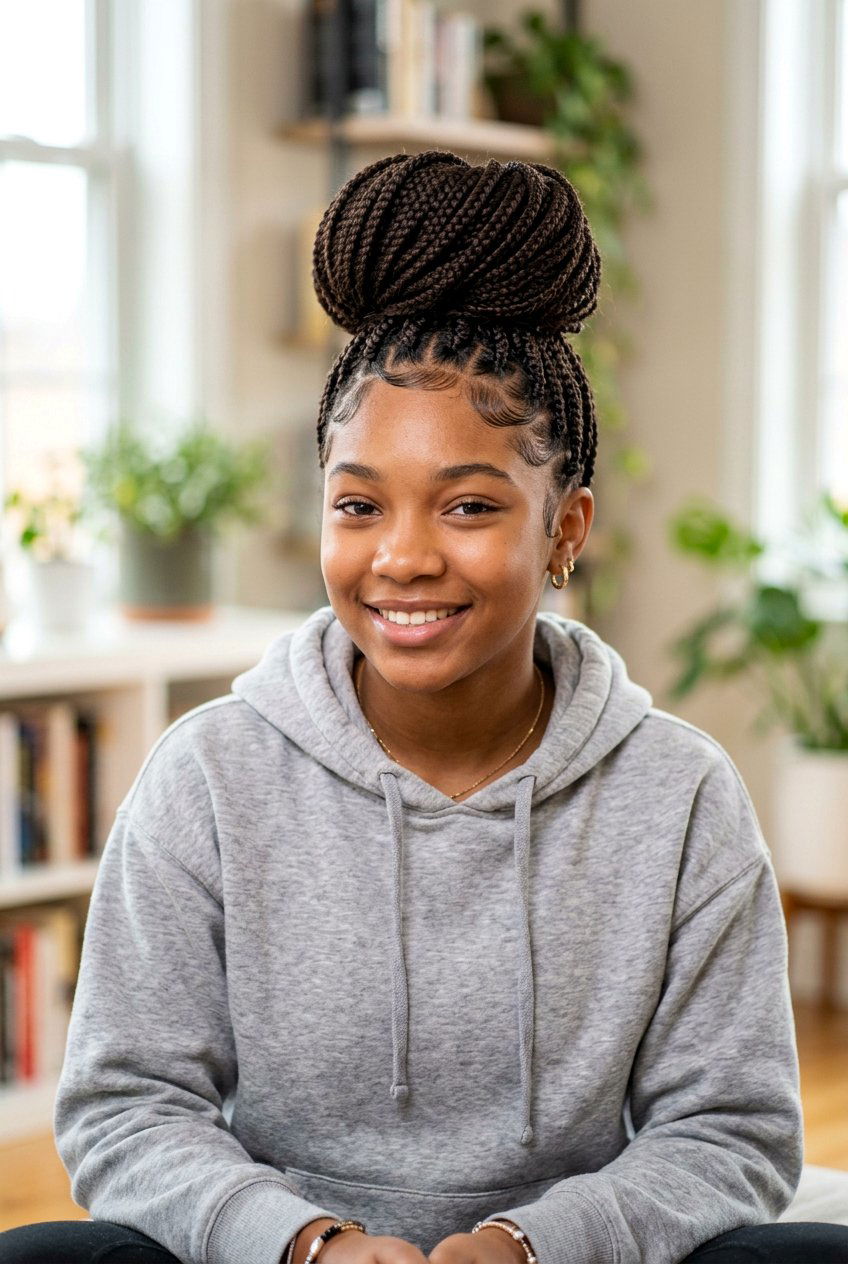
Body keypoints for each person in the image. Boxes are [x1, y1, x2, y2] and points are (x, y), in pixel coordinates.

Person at [2, 151, 846, 1264]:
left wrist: (526, 1245)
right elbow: (124, 1110)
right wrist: (309, 1244)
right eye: (357, 503)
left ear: (565, 531)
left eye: (466, 505)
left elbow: (729, 1131)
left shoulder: (677, 792)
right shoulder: (207, 775)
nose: (401, 556)